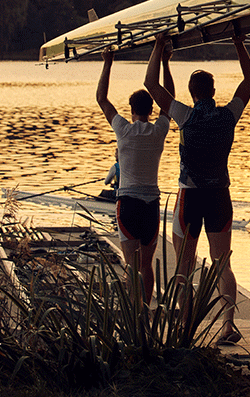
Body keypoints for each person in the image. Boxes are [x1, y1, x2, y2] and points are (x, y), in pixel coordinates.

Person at [144, 31, 250, 345]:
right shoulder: (227, 115)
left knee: (183, 266)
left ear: (192, 93)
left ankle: (187, 327)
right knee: (223, 264)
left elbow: (150, 84)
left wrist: (157, 46)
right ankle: (227, 324)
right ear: (213, 91)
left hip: (190, 197)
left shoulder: (184, 114)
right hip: (219, 196)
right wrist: (238, 43)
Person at [96, 43, 173, 306]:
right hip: (151, 204)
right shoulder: (159, 130)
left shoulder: (123, 130)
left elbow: (102, 100)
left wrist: (108, 62)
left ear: (131, 110)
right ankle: (145, 308)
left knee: (131, 265)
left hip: (127, 204)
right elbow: (169, 99)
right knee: (146, 264)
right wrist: (165, 62)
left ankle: (133, 312)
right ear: (151, 110)